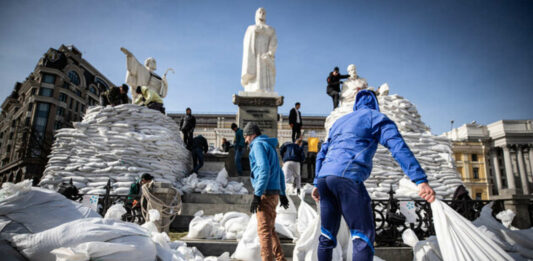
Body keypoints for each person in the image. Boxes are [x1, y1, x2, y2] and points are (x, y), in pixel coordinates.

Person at [311, 90, 435, 261]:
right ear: (376, 104)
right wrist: (420, 180)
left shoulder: (339, 123)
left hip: (325, 178)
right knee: (362, 236)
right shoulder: (376, 117)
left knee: (327, 235)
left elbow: (321, 153)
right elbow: (398, 147)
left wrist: (317, 182)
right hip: (347, 177)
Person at [244, 122, 288, 261]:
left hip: (265, 193)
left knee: (264, 231)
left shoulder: (257, 145)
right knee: (270, 229)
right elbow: (280, 172)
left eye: (246, 136)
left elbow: (264, 169)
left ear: (252, 135)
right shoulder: (269, 146)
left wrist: (257, 194)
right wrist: (282, 193)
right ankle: (280, 258)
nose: (245, 140)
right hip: (274, 192)